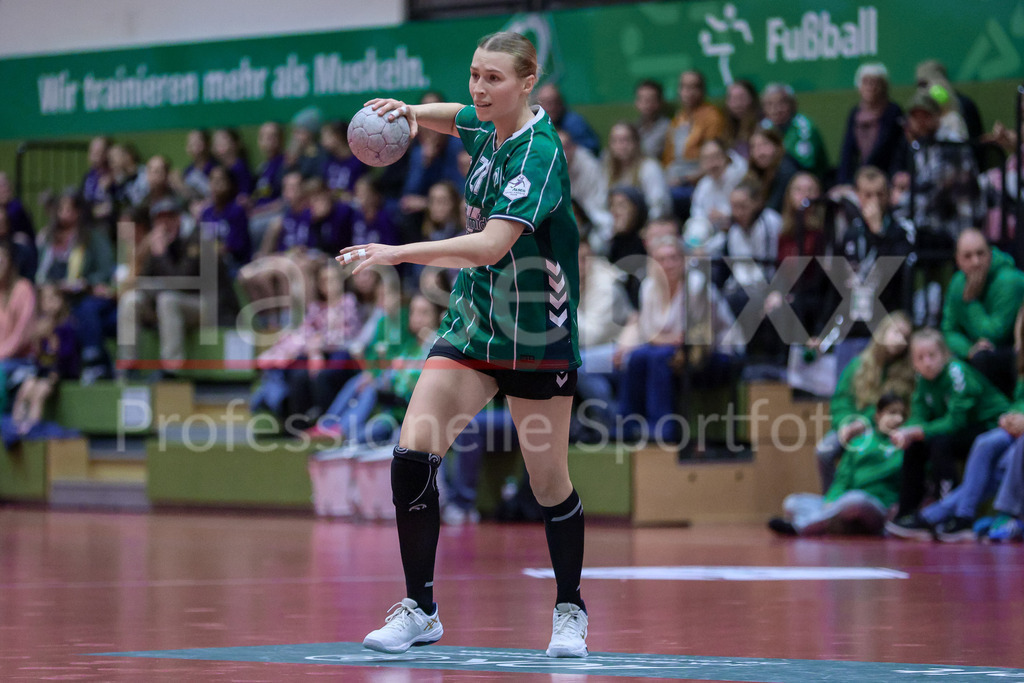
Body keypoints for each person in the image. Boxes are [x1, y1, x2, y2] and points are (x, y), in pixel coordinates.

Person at [341, 31, 589, 659]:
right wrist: (408, 112)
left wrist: (398, 252)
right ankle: (420, 608)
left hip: (536, 333)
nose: (479, 89)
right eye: (475, 75)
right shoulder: (486, 126)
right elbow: (455, 119)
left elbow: (489, 247)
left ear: (527, 82)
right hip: (474, 324)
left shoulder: (539, 153)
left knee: (548, 482)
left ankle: (569, 608)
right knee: (412, 453)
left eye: (494, 79)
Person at [887, 328, 1008, 532]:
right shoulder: (922, 381)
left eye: (932, 355)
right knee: (915, 445)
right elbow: (919, 415)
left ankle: (944, 511)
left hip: (990, 426)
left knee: (939, 442)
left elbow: (956, 422)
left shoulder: (956, 372)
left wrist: (918, 431)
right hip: (960, 431)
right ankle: (907, 512)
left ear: (944, 354)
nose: (927, 362)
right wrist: (907, 432)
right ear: (913, 362)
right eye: (920, 358)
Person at [770, 392, 907, 537]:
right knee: (792, 503)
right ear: (877, 415)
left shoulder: (905, 445)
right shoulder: (860, 442)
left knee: (855, 500)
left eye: (901, 415)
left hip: (878, 506)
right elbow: (842, 478)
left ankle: (800, 527)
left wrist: (900, 506)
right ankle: (834, 522)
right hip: (845, 503)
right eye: (892, 413)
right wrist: (830, 500)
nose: (898, 419)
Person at [816, 312, 915, 492]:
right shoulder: (858, 365)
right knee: (824, 451)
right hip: (850, 423)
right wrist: (845, 424)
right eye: (896, 332)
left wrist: (863, 424)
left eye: (906, 337)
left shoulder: (908, 373)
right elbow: (841, 401)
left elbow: (894, 409)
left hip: (884, 429)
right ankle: (831, 501)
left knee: (863, 450)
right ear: (883, 332)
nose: (900, 340)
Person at [940, 228, 1024, 397]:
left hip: (1011, 352)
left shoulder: (1010, 280)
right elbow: (948, 330)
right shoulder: (958, 282)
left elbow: (996, 334)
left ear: (990, 253)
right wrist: (968, 349)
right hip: (976, 350)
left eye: (981, 253)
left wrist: (971, 302)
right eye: (968, 256)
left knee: (983, 359)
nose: (976, 261)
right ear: (958, 260)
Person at [10, 283, 79, 435]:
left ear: (61, 301)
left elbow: (65, 356)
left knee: (40, 391)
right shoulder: (40, 326)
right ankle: (16, 426)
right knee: (27, 386)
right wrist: (37, 341)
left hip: (62, 372)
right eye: (46, 299)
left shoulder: (66, 327)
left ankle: (33, 427)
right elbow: (39, 358)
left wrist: (51, 337)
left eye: (54, 298)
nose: (50, 303)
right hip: (44, 370)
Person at [836, 63, 905, 185]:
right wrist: (844, 183)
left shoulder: (893, 112)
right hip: (860, 179)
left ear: (884, 86)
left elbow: (898, 151)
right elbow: (847, 152)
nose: (870, 87)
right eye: (866, 82)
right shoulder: (855, 113)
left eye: (875, 82)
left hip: (886, 178)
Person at [602, 121, 672, 220]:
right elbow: (602, 204)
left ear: (636, 142)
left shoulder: (650, 168)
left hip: (647, 224)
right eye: (615, 141)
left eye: (626, 140)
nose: (621, 145)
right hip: (617, 224)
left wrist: (646, 227)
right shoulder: (607, 169)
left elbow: (659, 206)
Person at [761, 82, 829, 179]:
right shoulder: (764, 126)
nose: (775, 109)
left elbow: (804, 165)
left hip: (808, 179)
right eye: (769, 104)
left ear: (792, 104)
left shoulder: (804, 127)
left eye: (781, 103)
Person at [536, 82, 600, 156]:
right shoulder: (537, 123)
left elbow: (592, 149)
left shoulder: (574, 123)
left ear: (560, 103)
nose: (549, 108)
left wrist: (569, 146)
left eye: (552, 102)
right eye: (544, 103)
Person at [633, 79, 670, 161]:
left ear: (660, 102)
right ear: (637, 103)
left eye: (651, 99)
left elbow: (651, 153)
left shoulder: (668, 128)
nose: (646, 104)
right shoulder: (634, 128)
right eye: (642, 99)